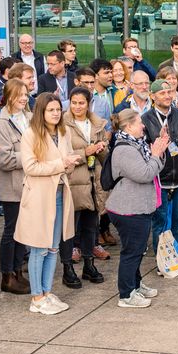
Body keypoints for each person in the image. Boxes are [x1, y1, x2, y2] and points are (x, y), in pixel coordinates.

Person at [16, 93, 78, 315]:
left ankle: (46, 291)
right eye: (50, 110)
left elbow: (67, 161)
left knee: (53, 248)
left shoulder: (63, 132)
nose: (55, 113)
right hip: (39, 198)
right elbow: (31, 167)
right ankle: (36, 297)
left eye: (58, 109)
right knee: (39, 248)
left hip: (60, 195)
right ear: (41, 112)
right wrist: (61, 163)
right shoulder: (31, 134)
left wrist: (69, 164)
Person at [106, 108, 170, 308]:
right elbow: (145, 174)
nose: (143, 125)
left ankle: (135, 284)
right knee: (132, 252)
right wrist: (156, 154)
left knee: (137, 250)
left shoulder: (138, 144)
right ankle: (126, 295)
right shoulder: (124, 149)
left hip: (137, 206)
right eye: (139, 123)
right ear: (128, 126)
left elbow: (156, 167)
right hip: (128, 209)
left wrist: (159, 152)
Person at [0, 78, 36, 295]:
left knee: (24, 231)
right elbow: (3, 159)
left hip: (32, 184)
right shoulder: (0, 124)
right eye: (19, 95)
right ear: (7, 97)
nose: (23, 98)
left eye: (26, 94)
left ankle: (18, 272)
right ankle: (7, 275)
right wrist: (30, 157)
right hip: (13, 187)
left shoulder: (30, 118)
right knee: (12, 231)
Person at [143, 79, 178, 258]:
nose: (167, 96)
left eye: (169, 92)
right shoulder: (145, 120)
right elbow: (143, 152)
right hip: (159, 180)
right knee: (159, 225)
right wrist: (158, 144)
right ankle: (163, 261)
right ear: (152, 96)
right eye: (162, 93)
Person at [64, 86, 110, 284]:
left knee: (91, 225)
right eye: (73, 103)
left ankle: (89, 265)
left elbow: (103, 157)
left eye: (81, 103)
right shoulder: (63, 124)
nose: (77, 106)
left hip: (93, 181)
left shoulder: (96, 123)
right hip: (74, 181)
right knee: (69, 228)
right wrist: (86, 152)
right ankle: (67, 268)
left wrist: (101, 148)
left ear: (89, 104)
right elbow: (62, 154)